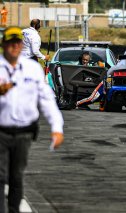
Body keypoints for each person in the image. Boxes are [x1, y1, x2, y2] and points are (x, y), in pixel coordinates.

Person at [0, 27, 64, 213]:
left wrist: (57, 127)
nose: (14, 47)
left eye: (17, 43)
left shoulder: (32, 69)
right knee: (0, 176)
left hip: (24, 133)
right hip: (1, 132)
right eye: (10, 43)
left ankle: (13, 210)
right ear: (4, 44)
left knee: (16, 176)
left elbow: (46, 99)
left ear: (21, 45)